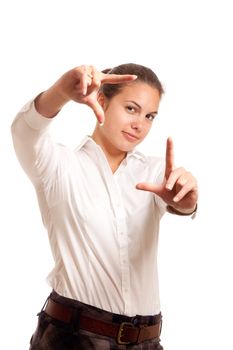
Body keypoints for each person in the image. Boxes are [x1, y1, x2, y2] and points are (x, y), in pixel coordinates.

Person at [11, 63, 198, 350]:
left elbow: (180, 202)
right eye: (131, 109)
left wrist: (186, 203)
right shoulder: (58, 166)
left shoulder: (154, 173)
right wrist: (61, 91)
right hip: (73, 338)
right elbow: (25, 131)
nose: (140, 124)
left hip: (146, 341)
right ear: (101, 101)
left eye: (150, 116)